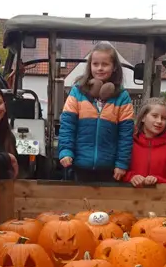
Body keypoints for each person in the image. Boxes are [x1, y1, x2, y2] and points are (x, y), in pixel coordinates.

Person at [57, 41, 134, 182]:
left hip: (109, 170)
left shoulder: (122, 97)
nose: (100, 68)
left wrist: (122, 163)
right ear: (90, 66)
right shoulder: (77, 92)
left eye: (105, 64)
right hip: (79, 166)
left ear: (114, 67)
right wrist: (65, 151)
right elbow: (67, 126)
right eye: (95, 64)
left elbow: (126, 135)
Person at [123, 97, 166, 187]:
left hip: (159, 200)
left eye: (163, 118)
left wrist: (157, 180)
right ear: (143, 117)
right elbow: (117, 173)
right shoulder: (127, 146)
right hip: (128, 199)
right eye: (155, 116)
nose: (159, 121)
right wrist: (131, 177)